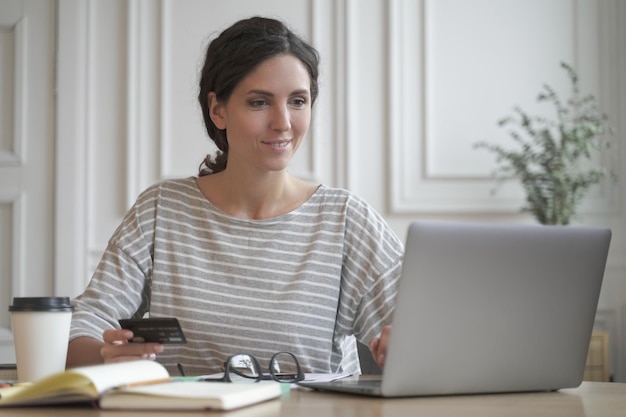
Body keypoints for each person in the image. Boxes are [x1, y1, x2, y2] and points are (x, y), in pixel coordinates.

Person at [66, 16, 403, 376]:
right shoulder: (162, 210)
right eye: (259, 102)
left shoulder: (346, 220)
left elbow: (417, 331)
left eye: (297, 101)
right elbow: (81, 327)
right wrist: (105, 353)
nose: (283, 122)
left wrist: (398, 347)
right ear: (218, 110)